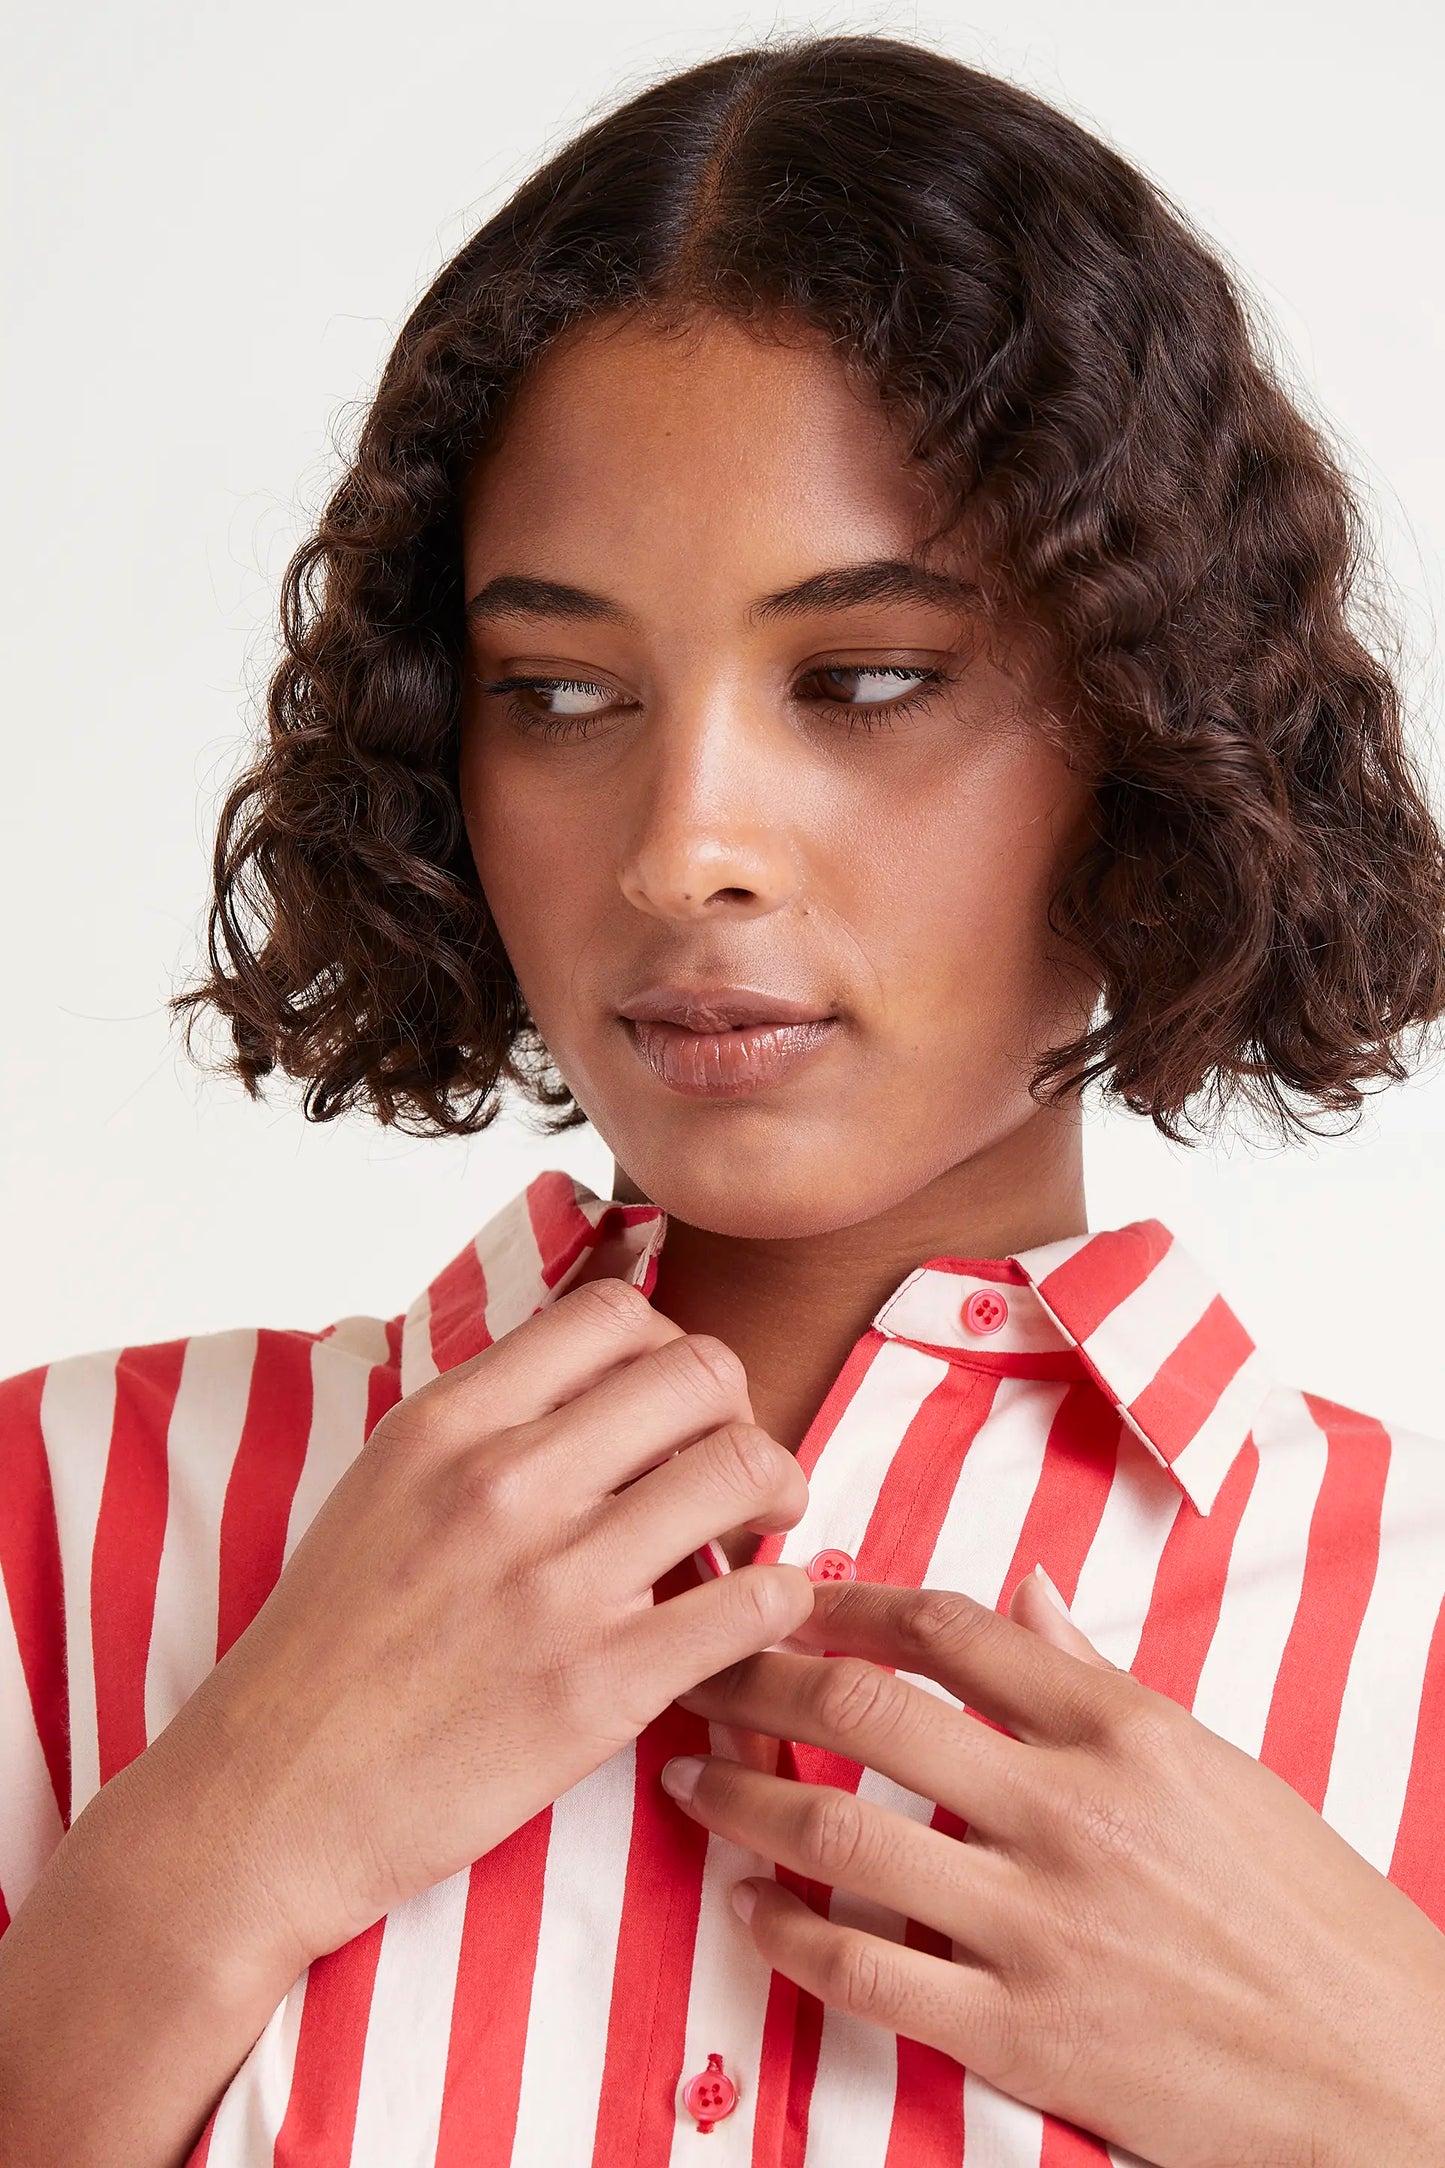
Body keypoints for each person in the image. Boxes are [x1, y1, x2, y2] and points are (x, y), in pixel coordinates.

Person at [2, 29, 1444, 2168]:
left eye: (861, 681)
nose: (685, 849)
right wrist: (205, 1859)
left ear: (1156, 723)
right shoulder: (60, 1527)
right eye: (562, 693)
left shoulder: (1413, 1644)